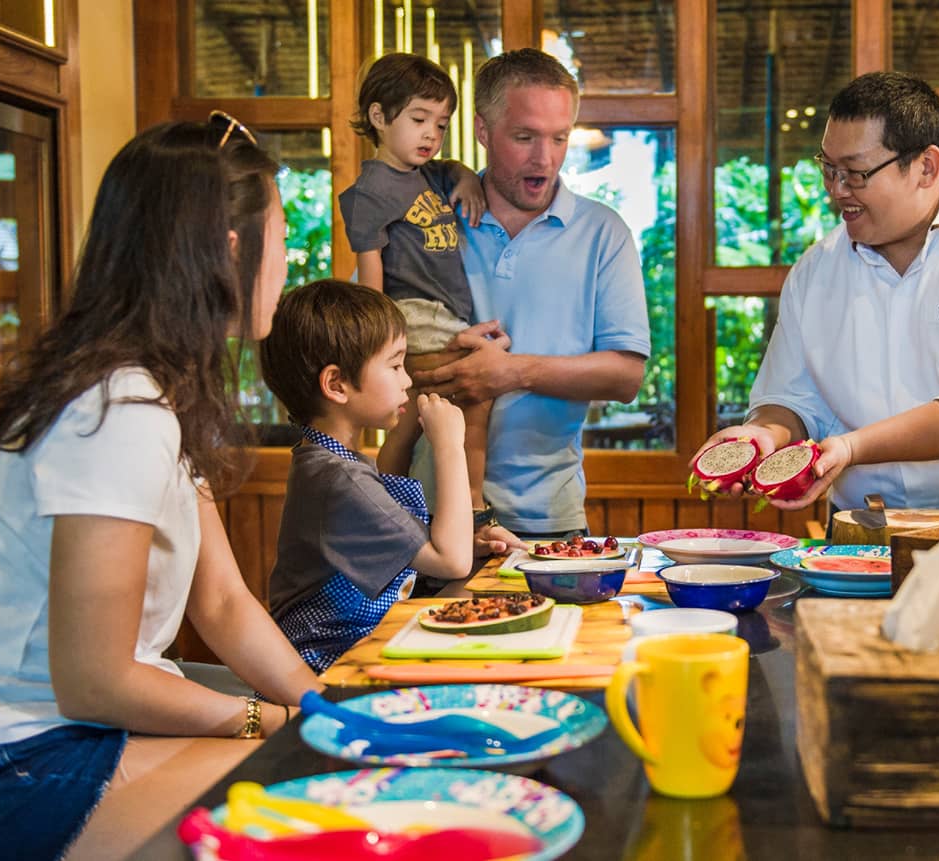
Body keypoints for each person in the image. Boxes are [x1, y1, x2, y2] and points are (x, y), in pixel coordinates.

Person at [0, 116, 323, 861]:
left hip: (72, 735)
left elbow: (221, 601)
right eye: (281, 237)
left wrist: (326, 707)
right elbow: (94, 679)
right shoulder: (119, 406)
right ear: (228, 250)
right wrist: (260, 718)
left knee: (323, 774)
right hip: (1, 765)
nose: (287, 262)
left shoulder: (155, 390)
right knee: (292, 821)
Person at [693, 71, 939, 514]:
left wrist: (851, 448)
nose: (836, 191)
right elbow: (789, 398)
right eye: (828, 170)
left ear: (926, 167)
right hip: (859, 532)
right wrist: (762, 435)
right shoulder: (816, 269)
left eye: (855, 173)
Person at [413, 48, 650, 539]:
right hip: (426, 517)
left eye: (559, 138)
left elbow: (626, 377)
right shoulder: (427, 218)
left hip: (552, 521)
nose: (545, 158)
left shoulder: (603, 232)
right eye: (524, 137)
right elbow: (366, 346)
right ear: (482, 131)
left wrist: (510, 372)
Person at [257, 279, 523, 672]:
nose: (408, 380)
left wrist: (473, 544)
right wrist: (450, 445)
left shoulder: (331, 464)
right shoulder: (337, 478)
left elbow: (435, 553)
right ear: (337, 384)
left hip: (364, 650)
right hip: (328, 669)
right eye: (396, 365)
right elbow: (450, 562)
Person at [340, 53, 492, 508]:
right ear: (379, 116)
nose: (432, 133)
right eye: (419, 118)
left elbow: (455, 169)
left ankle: (383, 505)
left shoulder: (431, 174)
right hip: (412, 315)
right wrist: (377, 344)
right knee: (477, 395)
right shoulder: (369, 192)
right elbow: (370, 278)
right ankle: (473, 502)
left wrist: (465, 179)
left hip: (441, 316)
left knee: (408, 423)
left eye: (442, 124)